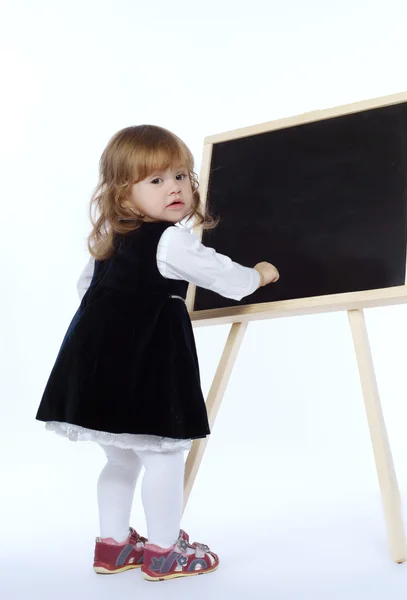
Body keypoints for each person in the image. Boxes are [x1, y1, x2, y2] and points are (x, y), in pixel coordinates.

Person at [36, 124, 279, 582]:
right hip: (144, 362)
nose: (175, 188)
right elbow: (226, 278)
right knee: (165, 458)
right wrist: (260, 274)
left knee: (118, 459)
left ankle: (112, 546)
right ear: (123, 196)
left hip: (92, 365)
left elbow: (85, 289)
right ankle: (165, 551)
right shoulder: (171, 240)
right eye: (156, 180)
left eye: (182, 176)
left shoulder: (110, 240)